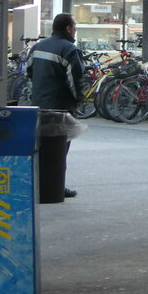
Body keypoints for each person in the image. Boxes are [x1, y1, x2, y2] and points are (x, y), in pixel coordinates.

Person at [29, 13, 86, 199]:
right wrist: (79, 99)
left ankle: (37, 184)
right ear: (69, 28)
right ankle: (55, 187)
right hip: (60, 107)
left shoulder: (37, 47)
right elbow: (75, 80)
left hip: (38, 105)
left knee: (41, 147)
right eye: (74, 26)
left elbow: (28, 72)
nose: (75, 29)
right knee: (59, 150)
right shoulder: (69, 49)